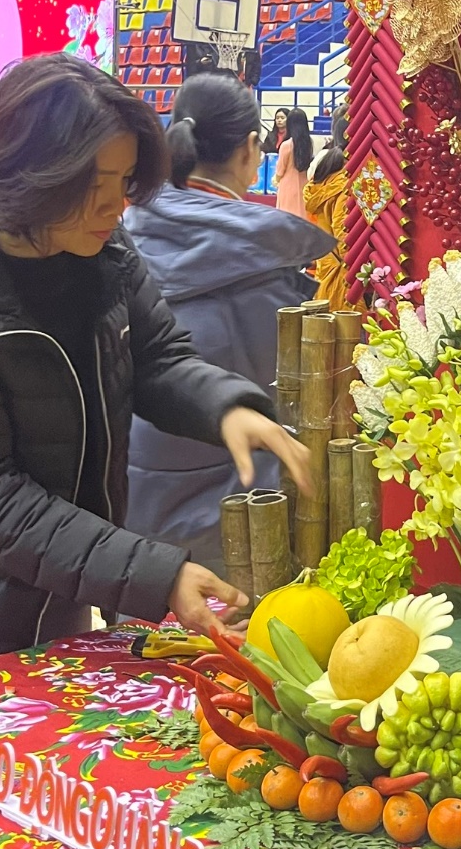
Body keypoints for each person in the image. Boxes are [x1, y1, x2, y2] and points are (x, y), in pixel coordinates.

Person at [0, 54, 312, 681]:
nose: (118, 205)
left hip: (52, 585)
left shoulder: (100, 246)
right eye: (96, 185)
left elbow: (157, 356)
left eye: (125, 181)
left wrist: (225, 408)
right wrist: (156, 574)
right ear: (32, 175)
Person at [126, 71, 332, 568]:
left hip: (130, 505)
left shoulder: (119, 236)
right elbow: (288, 400)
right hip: (234, 519)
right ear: (250, 148)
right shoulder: (260, 263)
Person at [304, 109, 350, 309]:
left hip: (326, 260)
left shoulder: (327, 170)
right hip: (344, 270)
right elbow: (343, 232)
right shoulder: (345, 182)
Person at [274, 107, 313, 219]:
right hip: (304, 186)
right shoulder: (309, 143)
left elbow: (280, 171)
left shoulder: (286, 145)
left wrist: (275, 180)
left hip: (287, 187)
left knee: (287, 219)